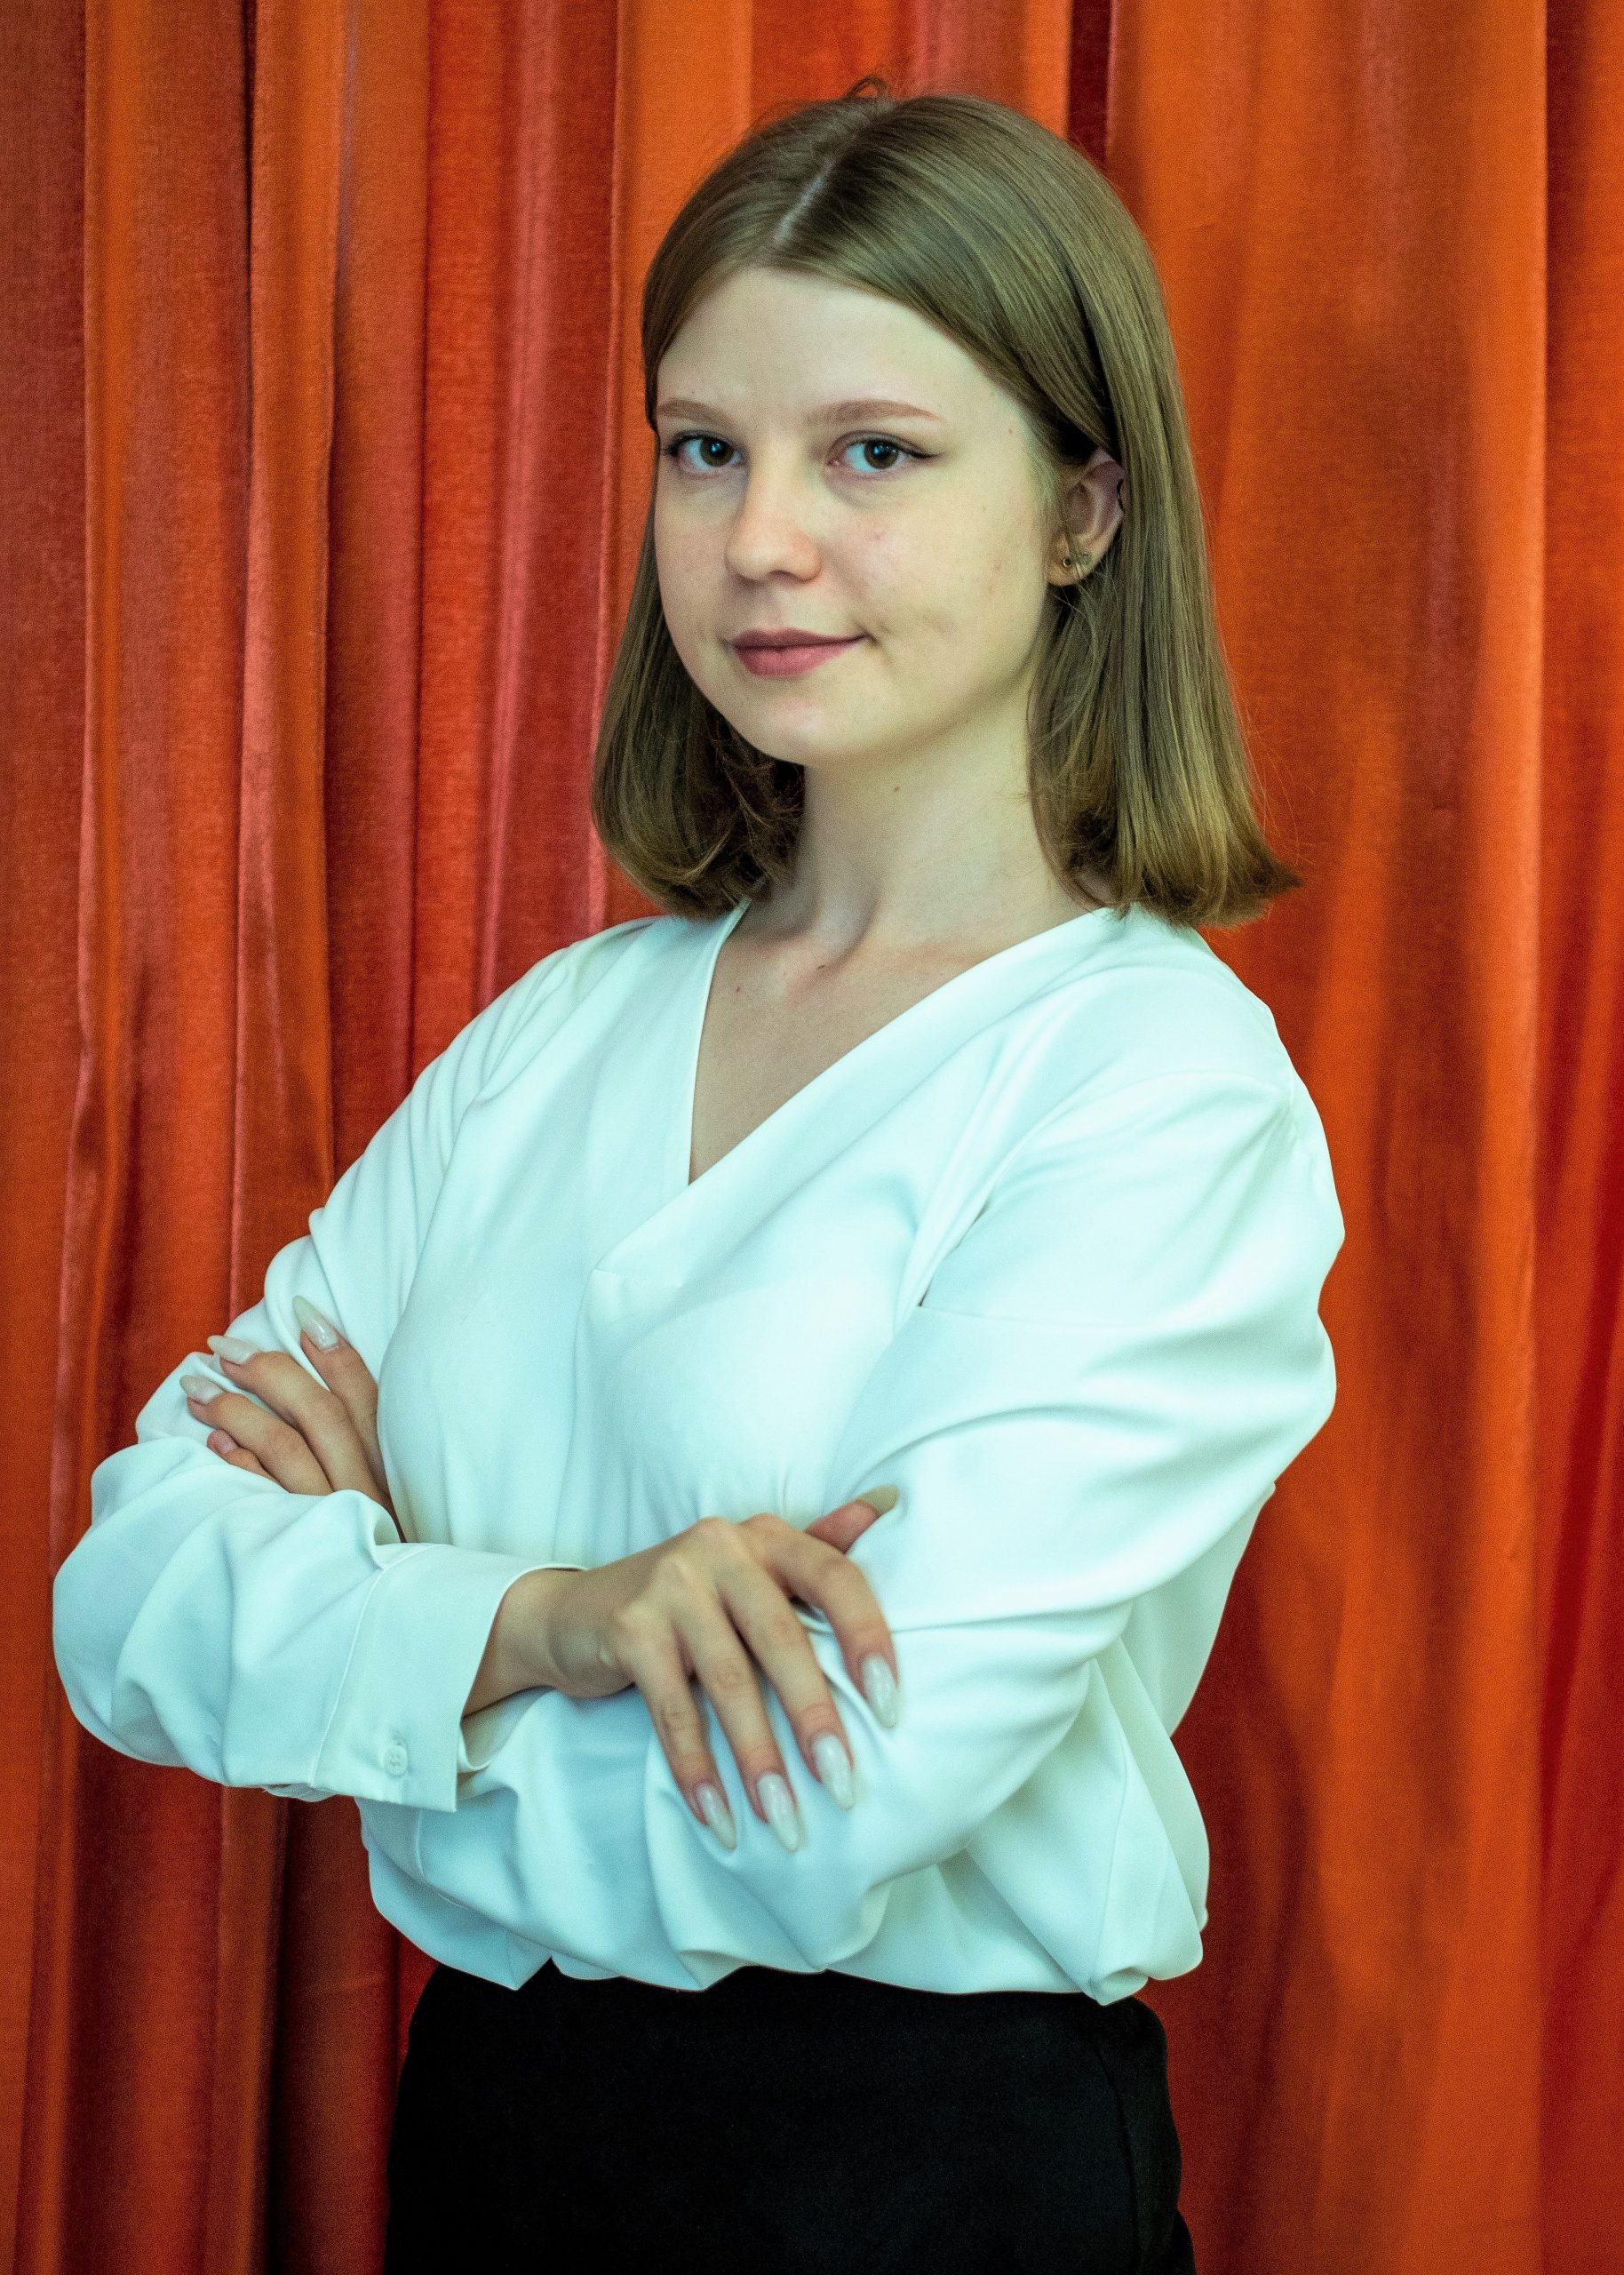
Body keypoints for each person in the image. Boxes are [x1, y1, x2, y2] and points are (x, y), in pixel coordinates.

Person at [52, 75, 1344, 2274]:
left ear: (1081, 510)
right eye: (701, 447)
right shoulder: (559, 1031)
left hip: (922, 2184)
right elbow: (130, 1597)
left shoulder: (1152, 1084)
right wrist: (558, 1618)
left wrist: (385, 1649)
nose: (758, 540)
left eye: (873, 452)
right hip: (493, 2143)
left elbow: (833, 1802)